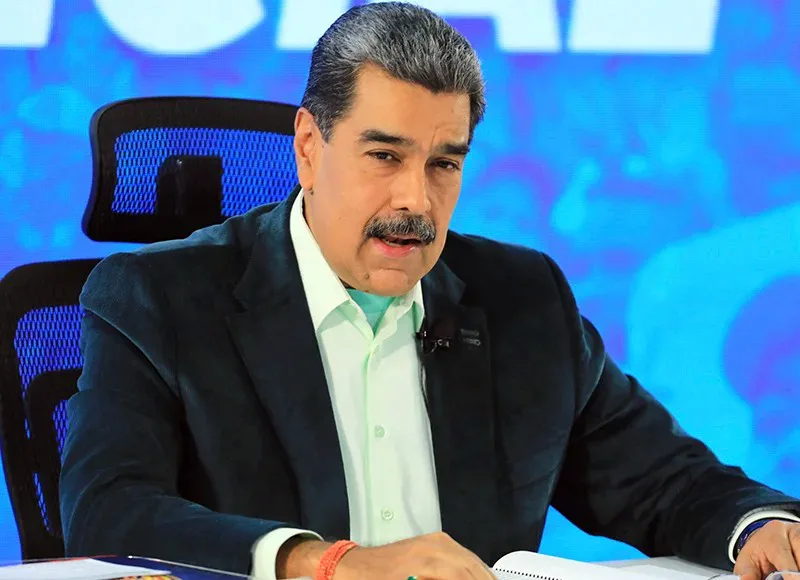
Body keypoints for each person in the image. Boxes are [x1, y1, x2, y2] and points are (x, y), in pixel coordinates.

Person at [60, 3, 800, 580]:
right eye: (385, 156)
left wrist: (757, 525)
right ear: (310, 148)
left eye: (444, 164)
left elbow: (662, 480)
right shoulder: (156, 300)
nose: (415, 200)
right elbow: (109, 514)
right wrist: (323, 563)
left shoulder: (522, 299)